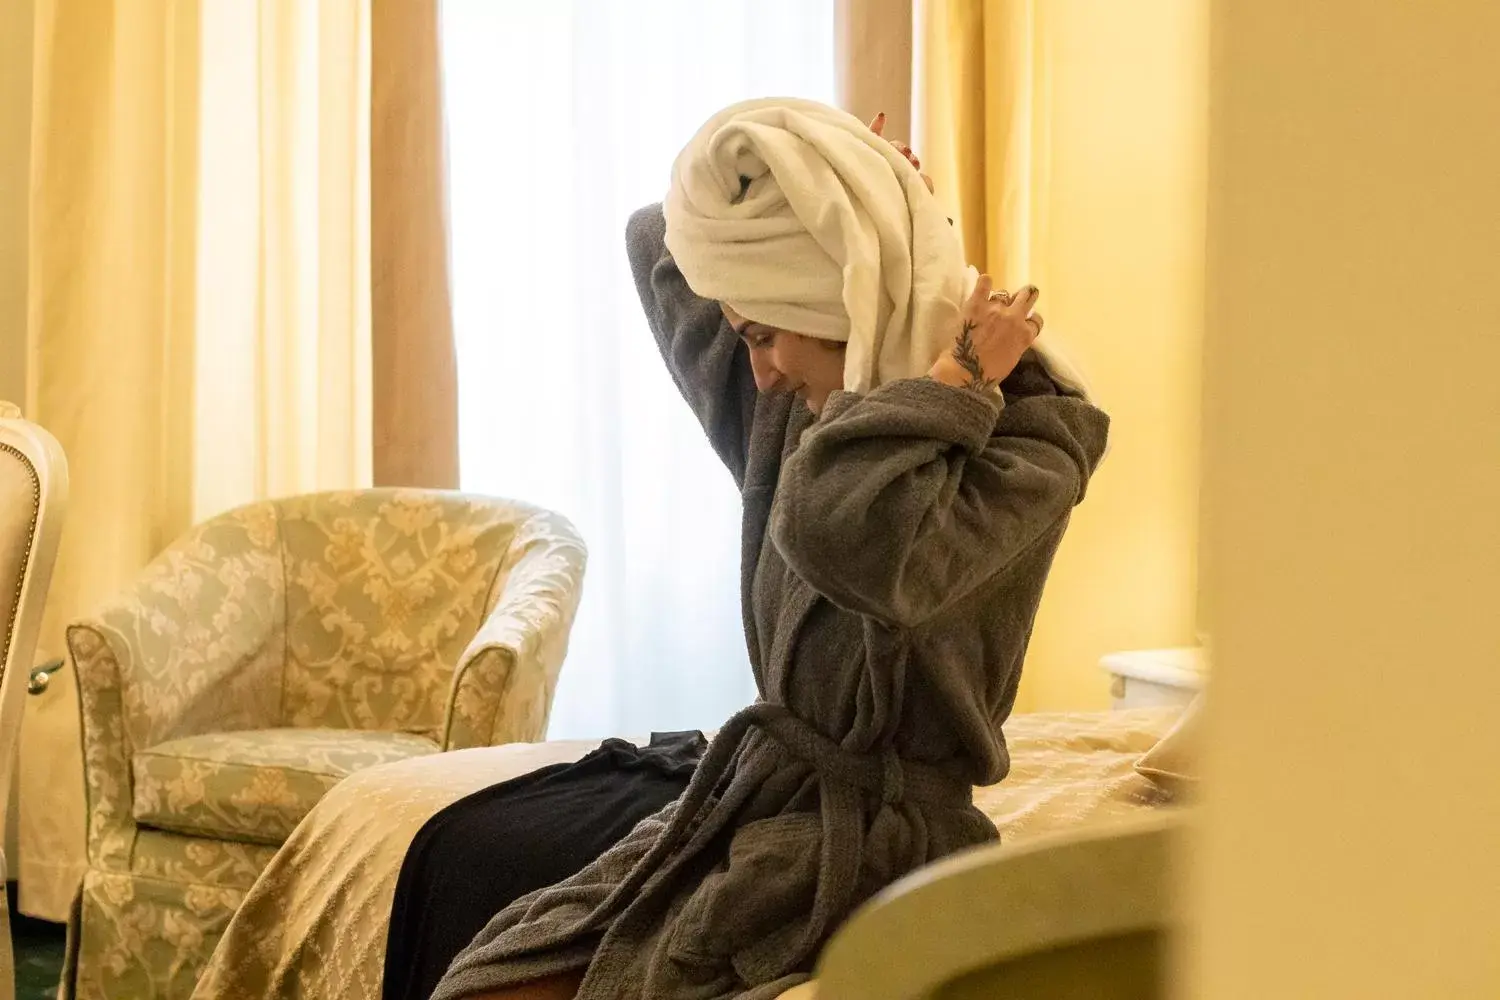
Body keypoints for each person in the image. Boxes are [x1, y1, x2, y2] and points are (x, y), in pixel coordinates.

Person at [423, 97, 1109, 1000]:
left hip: (880, 844)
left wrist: (960, 379)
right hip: (756, 795)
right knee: (488, 975)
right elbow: (655, 240)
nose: (758, 371)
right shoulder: (794, 397)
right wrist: (856, 198)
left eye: (762, 335)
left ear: (837, 302)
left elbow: (855, 541)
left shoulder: (1035, 432)